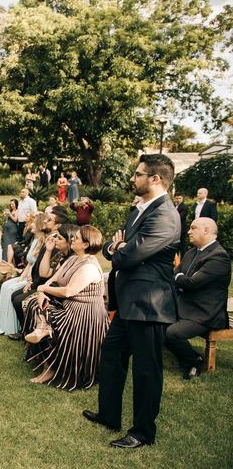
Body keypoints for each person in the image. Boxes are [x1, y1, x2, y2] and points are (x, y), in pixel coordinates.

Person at [83, 154, 180, 449]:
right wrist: (117, 247)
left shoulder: (165, 214)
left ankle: (143, 432)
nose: (132, 179)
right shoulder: (140, 209)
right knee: (112, 354)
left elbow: (127, 255)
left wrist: (119, 248)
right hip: (128, 301)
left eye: (138, 174)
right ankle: (109, 414)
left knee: (147, 370)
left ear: (155, 179)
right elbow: (117, 248)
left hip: (149, 303)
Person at [26, 225, 108, 391]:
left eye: (76, 238)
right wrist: (42, 291)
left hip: (85, 314)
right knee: (35, 303)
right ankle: (43, 327)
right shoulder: (72, 259)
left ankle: (50, 365)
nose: (73, 239)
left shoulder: (89, 267)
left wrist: (43, 289)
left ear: (86, 244)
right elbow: (54, 279)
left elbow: (69, 291)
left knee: (51, 318)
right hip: (68, 305)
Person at [165, 218, 231, 380]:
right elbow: (176, 274)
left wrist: (180, 277)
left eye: (193, 228)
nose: (188, 231)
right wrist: (181, 278)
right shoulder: (191, 252)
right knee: (156, 326)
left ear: (206, 231)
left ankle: (192, 363)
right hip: (185, 306)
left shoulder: (219, 257)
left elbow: (192, 283)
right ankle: (196, 356)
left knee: (170, 333)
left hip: (205, 313)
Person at [0, 213, 48, 336]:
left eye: (34, 222)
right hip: (27, 274)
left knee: (11, 289)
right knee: (5, 286)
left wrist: (28, 279)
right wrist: (21, 277)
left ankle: (13, 328)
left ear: (39, 225)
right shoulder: (35, 241)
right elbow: (29, 263)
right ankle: (3, 324)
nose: (31, 224)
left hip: (34, 278)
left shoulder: (45, 243)